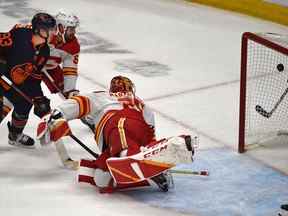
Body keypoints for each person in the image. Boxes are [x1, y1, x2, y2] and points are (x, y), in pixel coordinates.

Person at [37, 75, 196, 193]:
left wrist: (56, 115)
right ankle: (153, 168)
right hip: (132, 134)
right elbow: (149, 133)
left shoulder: (100, 95)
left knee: (122, 138)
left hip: (117, 124)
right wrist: (151, 151)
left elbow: (75, 105)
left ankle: (130, 156)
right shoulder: (140, 103)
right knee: (101, 179)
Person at [0, 12, 57, 148]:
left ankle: (15, 135)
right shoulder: (19, 34)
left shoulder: (44, 52)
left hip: (9, 80)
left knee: (25, 102)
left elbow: (33, 80)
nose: (54, 33)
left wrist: (39, 98)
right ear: (41, 31)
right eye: (51, 30)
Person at [42, 10, 80, 99]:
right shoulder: (42, 33)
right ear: (61, 28)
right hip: (29, 66)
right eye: (71, 29)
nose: (73, 32)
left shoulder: (73, 45)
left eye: (74, 29)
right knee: (17, 95)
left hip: (51, 69)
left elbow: (70, 70)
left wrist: (69, 90)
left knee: (69, 94)